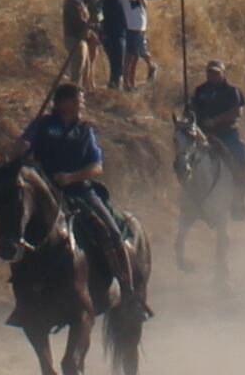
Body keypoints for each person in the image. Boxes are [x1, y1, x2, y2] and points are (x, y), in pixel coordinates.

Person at [13, 80, 146, 315]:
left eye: (81, 100)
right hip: (46, 190)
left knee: (113, 232)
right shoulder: (43, 125)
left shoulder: (84, 130)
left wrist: (72, 177)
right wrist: (20, 147)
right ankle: (23, 299)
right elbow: (21, 149)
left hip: (81, 190)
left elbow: (96, 167)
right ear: (63, 103)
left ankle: (127, 289)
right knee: (20, 231)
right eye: (77, 99)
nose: (81, 104)